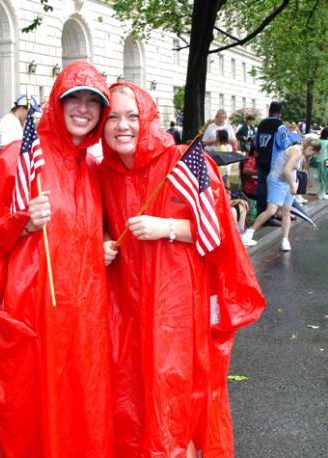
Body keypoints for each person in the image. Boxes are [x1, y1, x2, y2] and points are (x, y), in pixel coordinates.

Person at [99, 82, 265, 457]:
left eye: (131, 116)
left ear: (148, 119)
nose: (122, 126)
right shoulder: (104, 171)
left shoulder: (180, 162)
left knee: (174, 396)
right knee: (135, 394)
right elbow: (103, 223)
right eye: (112, 118)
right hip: (126, 305)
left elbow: (219, 231)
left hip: (177, 307)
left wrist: (166, 228)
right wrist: (106, 239)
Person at [0, 61, 114, 457]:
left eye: (93, 101)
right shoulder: (19, 157)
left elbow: (93, 224)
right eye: (75, 98)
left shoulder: (91, 167)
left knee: (80, 407)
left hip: (84, 316)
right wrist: (21, 222)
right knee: (34, 410)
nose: (84, 109)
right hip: (35, 308)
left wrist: (102, 243)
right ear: (58, 101)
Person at [242, 138, 321, 250]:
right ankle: (249, 233)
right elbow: (287, 170)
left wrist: (295, 183)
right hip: (278, 182)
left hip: (288, 183)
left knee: (286, 211)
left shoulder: (302, 153)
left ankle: (285, 239)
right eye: (313, 152)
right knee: (271, 210)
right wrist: (293, 185)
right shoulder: (297, 151)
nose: (312, 154)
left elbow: (295, 170)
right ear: (310, 148)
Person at [254, 101, 290, 221]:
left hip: (260, 161)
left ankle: (260, 213)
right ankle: (270, 216)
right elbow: (285, 144)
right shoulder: (279, 126)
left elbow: (255, 143)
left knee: (261, 188)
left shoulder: (261, 124)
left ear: (270, 110)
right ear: (279, 113)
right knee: (272, 189)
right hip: (274, 163)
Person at [317, 127, 328, 199]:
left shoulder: (318, 141)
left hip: (319, 161)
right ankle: (322, 193)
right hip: (326, 161)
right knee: (325, 177)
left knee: (321, 177)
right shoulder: (327, 142)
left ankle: (321, 193)